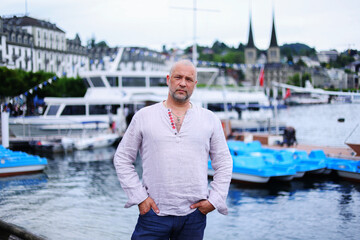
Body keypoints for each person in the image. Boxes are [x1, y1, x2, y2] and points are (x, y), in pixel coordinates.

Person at [113, 59, 233, 240]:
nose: (183, 83)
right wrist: (139, 197)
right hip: (153, 214)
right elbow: (122, 158)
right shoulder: (144, 116)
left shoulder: (210, 119)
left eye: (189, 79)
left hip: (194, 216)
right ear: (168, 79)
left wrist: (214, 200)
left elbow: (223, 162)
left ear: (195, 84)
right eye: (178, 77)